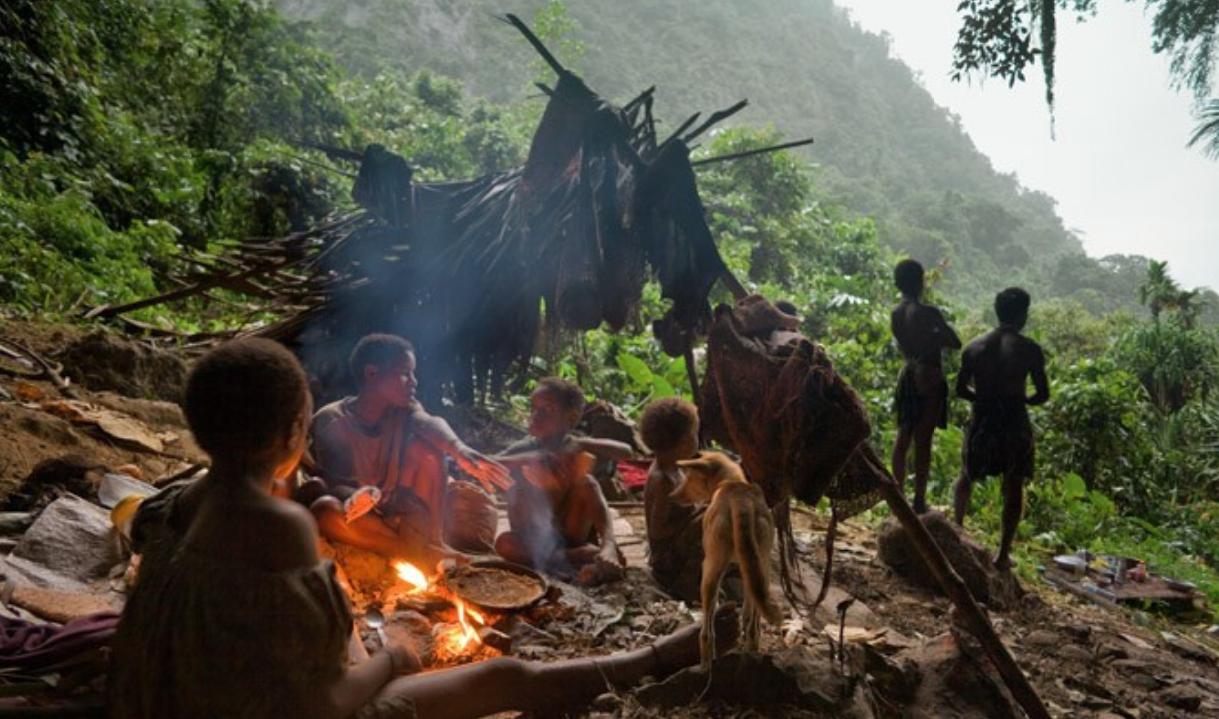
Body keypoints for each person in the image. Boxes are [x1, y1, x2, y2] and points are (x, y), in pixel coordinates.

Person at [109, 338, 739, 719]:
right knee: (504, 679)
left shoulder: (185, 502)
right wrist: (395, 657)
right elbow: (325, 703)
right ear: (292, 435)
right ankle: (654, 657)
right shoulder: (279, 525)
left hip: (183, 695)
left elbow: (442, 436)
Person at [308, 335, 509, 566]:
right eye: (404, 373)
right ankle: (415, 552)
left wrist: (458, 449)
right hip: (364, 516)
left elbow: (428, 422)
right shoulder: (332, 420)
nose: (413, 381)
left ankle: (434, 541)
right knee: (326, 512)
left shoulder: (403, 409)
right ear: (371, 374)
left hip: (402, 513)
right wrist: (364, 497)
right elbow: (335, 485)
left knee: (428, 452)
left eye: (413, 374)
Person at [494, 378, 632, 585]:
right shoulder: (525, 448)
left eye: (547, 409)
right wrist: (535, 458)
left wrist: (582, 443)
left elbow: (626, 451)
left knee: (587, 482)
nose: (536, 415)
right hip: (532, 539)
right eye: (534, 408)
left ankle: (608, 544)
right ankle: (576, 557)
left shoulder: (576, 446)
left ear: (572, 418)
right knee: (504, 544)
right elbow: (490, 461)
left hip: (572, 532)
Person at [952, 287, 1049, 570]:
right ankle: (1003, 554)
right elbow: (1043, 394)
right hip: (1013, 420)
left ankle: (957, 530)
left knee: (966, 474)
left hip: (983, 419)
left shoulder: (974, 346)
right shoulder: (1029, 349)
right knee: (1013, 483)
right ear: (1023, 315)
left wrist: (983, 400)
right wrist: (1020, 400)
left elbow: (960, 389)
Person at [889, 259, 961, 513]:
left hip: (908, 372)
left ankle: (897, 496)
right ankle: (919, 500)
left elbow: (905, 343)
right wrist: (936, 335)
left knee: (903, 435)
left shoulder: (896, 314)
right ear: (920, 282)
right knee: (923, 440)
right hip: (929, 373)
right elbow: (954, 341)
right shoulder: (929, 312)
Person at [640, 397, 704, 601]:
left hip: (675, 545)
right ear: (684, 442)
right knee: (709, 521)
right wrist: (691, 523)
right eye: (695, 434)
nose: (698, 439)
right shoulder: (663, 480)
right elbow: (657, 531)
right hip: (666, 558)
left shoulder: (674, 468)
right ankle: (686, 584)